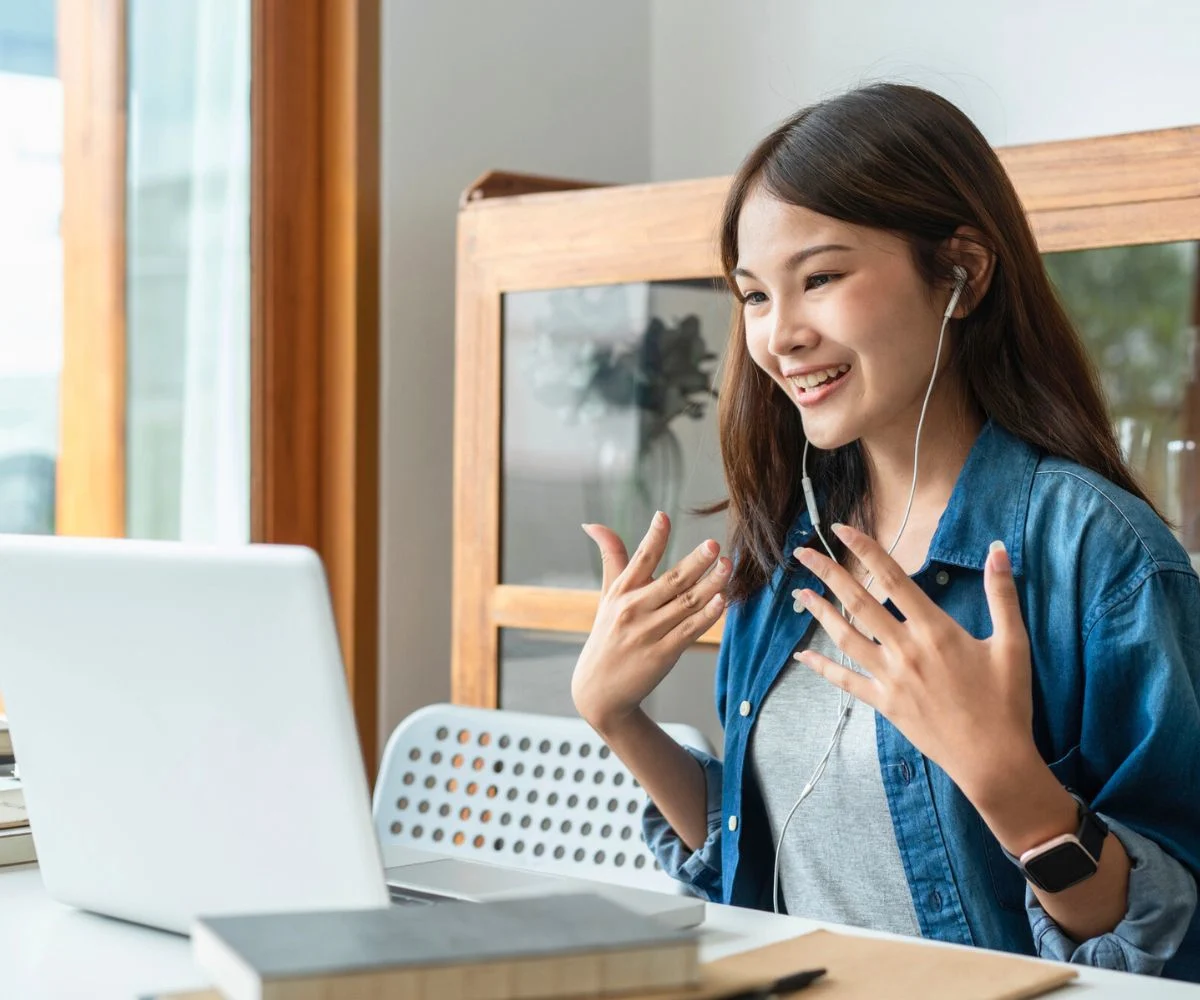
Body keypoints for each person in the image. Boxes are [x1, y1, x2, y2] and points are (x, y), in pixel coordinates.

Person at [571, 83, 1200, 981]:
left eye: (820, 278)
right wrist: (618, 719)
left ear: (962, 273)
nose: (780, 335)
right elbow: (773, 850)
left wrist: (1016, 792)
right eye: (754, 295)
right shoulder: (792, 547)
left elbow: (1177, 946)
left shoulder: (1100, 556)